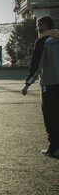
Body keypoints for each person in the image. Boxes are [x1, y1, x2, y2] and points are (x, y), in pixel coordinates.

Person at [21, 15, 59, 156]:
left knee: (50, 116)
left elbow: (37, 64)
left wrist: (27, 84)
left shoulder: (43, 41)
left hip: (49, 84)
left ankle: (54, 147)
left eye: (38, 25)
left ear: (43, 26)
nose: (37, 28)